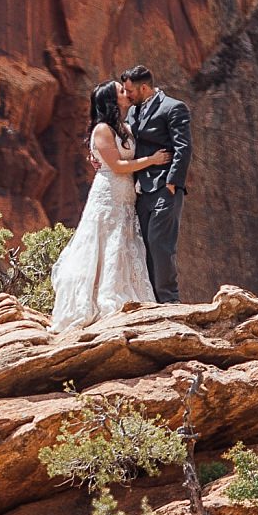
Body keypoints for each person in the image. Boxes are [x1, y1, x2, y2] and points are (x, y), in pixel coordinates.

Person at [48, 80, 172, 331]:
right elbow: (117, 166)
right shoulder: (103, 130)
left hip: (127, 194)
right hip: (108, 193)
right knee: (105, 239)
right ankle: (99, 301)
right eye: (120, 92)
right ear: (110, 100)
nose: (126, 94)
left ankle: (126, 294)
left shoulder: (124, 128)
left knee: (123, 241)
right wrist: (153, 160)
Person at [120, 65, 192, 303]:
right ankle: (151, 299)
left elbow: (183, 147)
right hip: (140, 190)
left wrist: (173, 182)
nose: (127, 95)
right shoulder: (132, 113)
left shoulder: (173, 108)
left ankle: (170, 300)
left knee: (161, 244)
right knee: (143, 246)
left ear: (144, 87)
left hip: (164, 188)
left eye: (130, 90)